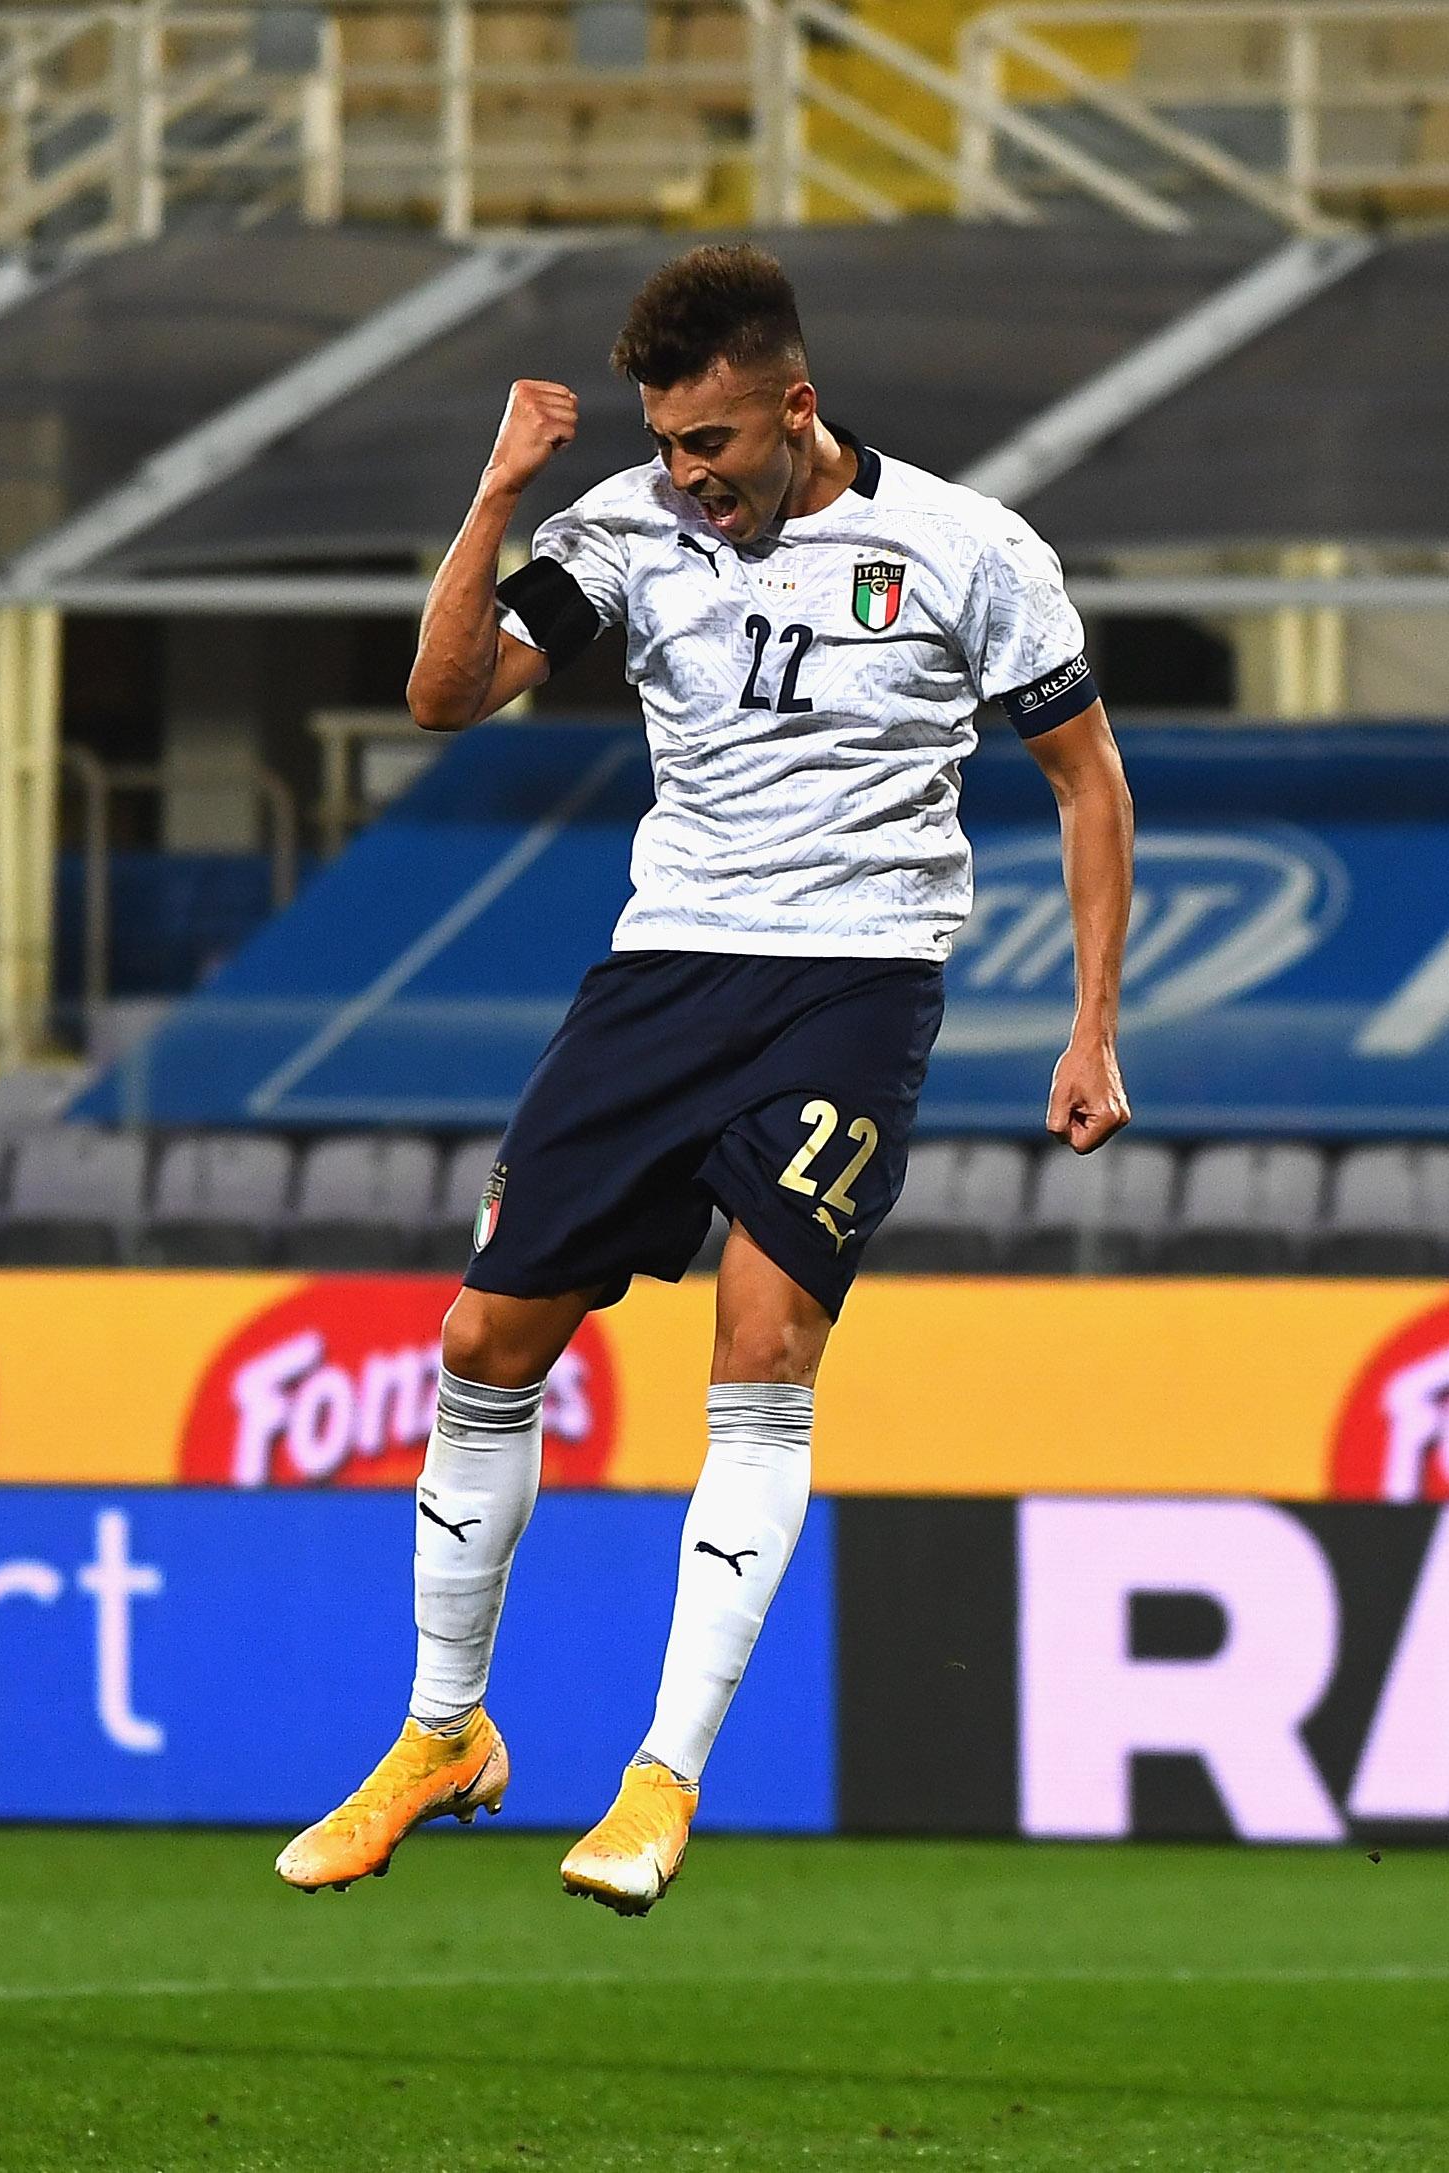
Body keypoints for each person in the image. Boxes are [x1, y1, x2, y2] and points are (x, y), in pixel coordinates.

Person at [276, 244, 1135, 1914]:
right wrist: (497, 497)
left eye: (713, 446)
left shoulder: (968, 550)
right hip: (662, 972)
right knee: (482, 1338)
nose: (689, 478)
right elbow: (445, 695)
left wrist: (1091, 1021)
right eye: (667, 445)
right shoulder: (619, 529)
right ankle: (443, 1732)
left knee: (762, 1347)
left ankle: (663, 1772)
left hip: (854, 985)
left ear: (794, 409)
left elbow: (1087, 784)